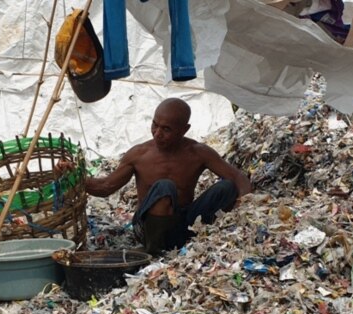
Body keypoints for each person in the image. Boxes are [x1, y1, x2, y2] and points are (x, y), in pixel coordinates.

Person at [83, 98, 251, 254]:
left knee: (226, 187)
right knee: (165, 186)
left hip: (185, 225)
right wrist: (75, 178)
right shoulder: (139, 154)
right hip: (148, 229)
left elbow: (237, 177)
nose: (157, 133)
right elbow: (104, 187)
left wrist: (243, 206)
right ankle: (152, 251)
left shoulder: (198, 152)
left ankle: (192, 240)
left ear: (184, 130)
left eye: (166, 129)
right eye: (155, 125)